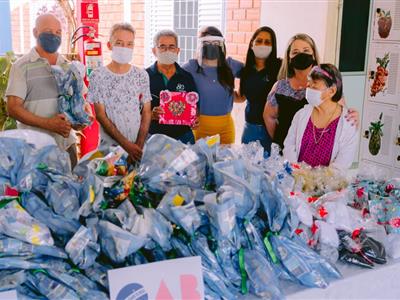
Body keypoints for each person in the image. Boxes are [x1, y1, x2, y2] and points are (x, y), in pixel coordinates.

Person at [263, 33, 358, 151]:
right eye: (295, 52)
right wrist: (280, 140)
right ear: (289, 57)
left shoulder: (329, 86)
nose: (301, 55)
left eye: (306, 50)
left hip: (316, 153)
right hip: (286, 153)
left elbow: (342, 117)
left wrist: (353, 117)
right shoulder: (280, 87)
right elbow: (269, 116)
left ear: (313, 55)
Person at [6, 14, 79, 166]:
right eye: (48, 31)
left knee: (71, 189)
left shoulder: (68, 66)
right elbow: (13, 108)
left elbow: (78, 104)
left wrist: (81, 119)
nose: (54, 36)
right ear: (35, 32)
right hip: (34, 151)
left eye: (58, 32)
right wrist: (48, 124)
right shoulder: (21, 66)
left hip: (66, 147)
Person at [87, 23, 151, 161]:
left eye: (129, 44)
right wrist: (126, 145)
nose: (124, 48)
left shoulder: (141, 75)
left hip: (137, 148)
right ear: (109, 45)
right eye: (119, 43)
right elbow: (100, 115)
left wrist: (138, 145)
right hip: (109, 150)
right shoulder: (98, 76)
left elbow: (146, 112)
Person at [283, 64, 359, 170]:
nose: (308, 89)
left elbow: (341, 166)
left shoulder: (348, 123)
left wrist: (317, 181)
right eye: (308, 84)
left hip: (327, 184)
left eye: (314, 85)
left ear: (331, 91)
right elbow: (289, 147)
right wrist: (296, 172)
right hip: (297, 181)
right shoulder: (301, 115)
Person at [183, 26, 243, 144]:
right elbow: (174, 82)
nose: (211, 45)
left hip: (225, 128)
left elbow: (252, 75)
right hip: (199, 127)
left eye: (215, 42)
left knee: (225, 161)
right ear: (200, 45)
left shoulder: (231, 65)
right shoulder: (191, 67)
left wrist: (239, 95)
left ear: (221, 45)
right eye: (206, 42)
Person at [146, 29, 198, 144]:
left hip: (183, 137)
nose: (167, 51)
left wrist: (194, 119)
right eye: (162, 47)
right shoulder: (144, 77)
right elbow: (135, 110)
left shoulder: (186, 77)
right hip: (154, 138)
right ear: (154, 51)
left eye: (171, 47)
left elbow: (196, 106)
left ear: (178, 51)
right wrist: (151, 114)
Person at [236, 26, 281, 153]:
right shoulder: (246, 71)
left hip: (271, 129)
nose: (263, 45)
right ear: (252, 44)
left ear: (273, 47)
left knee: (269, 169)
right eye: (259, 41)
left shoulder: (279, 68)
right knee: (247, 167)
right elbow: (241, 97)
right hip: (250, 127)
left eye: (267, 42)